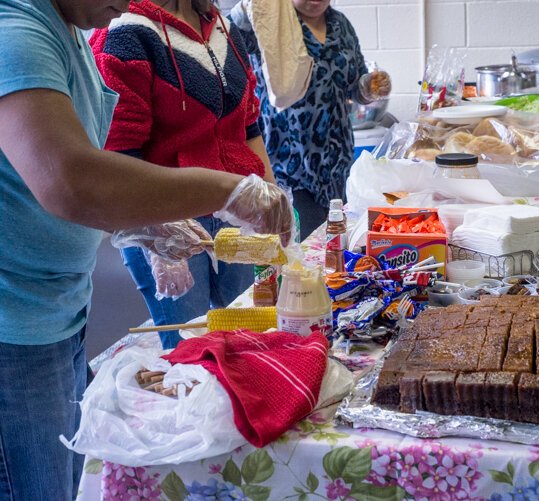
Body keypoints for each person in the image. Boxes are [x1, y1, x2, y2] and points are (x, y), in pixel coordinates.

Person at [0, 0, 292, 499]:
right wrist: (226, 192)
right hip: (15, 323)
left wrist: (143, 221)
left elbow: (88, 162)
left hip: (56, 309)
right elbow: (71, 180)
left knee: (68, 480)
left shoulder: (68, 27)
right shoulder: (16, 30)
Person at [90, 0, 276, 349]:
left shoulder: (221, 24)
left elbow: (249, 126)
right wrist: (157, 243)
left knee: (249, 335)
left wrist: (270, 195)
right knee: (190, 350)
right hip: (167, 219)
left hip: (236, 207)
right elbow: (117, 153)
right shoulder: (123, 31)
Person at [227, 0, 392, 239]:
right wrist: (246, 9)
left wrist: (368, 88)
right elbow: (229, 38)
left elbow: (353, 85)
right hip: (287, 167)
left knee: (336, 249)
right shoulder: (272, 22)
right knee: (300, 256)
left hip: (337, 166)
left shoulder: (341, 25)